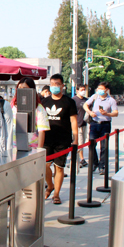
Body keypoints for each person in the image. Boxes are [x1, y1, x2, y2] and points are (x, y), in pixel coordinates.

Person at [42, 74, 78, 205]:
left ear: (62, 86)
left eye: (57, 84)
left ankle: (56, 193)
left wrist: (75, 139)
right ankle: (50, 185)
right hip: (47, 139)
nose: (54, 87)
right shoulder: (44, 102)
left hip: (63, 139)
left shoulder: (69, 102)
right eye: (52, 84)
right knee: (44, 165)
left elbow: (73, 121)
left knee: (59, 167)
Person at [83, 82, 118, 175]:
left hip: (105, 125)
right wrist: (90, 112)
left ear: (106, 90)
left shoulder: (111, 100)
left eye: (101, 89)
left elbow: (116, 113)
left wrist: (107, 114)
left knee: (104, 146)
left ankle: (102, 166)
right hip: (94, 124)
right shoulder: (95, 97)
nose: (99, 90)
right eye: (98, 89)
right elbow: (85, 105)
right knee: (91, 144)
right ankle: (94, 163)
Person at [11, 77, 50, 149]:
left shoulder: (38, 108)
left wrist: (39, 150)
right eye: (19, 88)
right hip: (14, 147)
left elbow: (42, 131)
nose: (22, 91)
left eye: (25, 88)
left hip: (32, 148)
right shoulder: (13, 106)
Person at [72, 83, 89, 168]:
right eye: (81, 90)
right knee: (79, 142)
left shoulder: (86, 100)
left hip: (84, 123)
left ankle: (76, 159)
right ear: (77, 90)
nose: (83, 91)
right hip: (77, 124)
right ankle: (81, 159)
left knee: (83, 142)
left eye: (84, 89)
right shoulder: (73, 100)